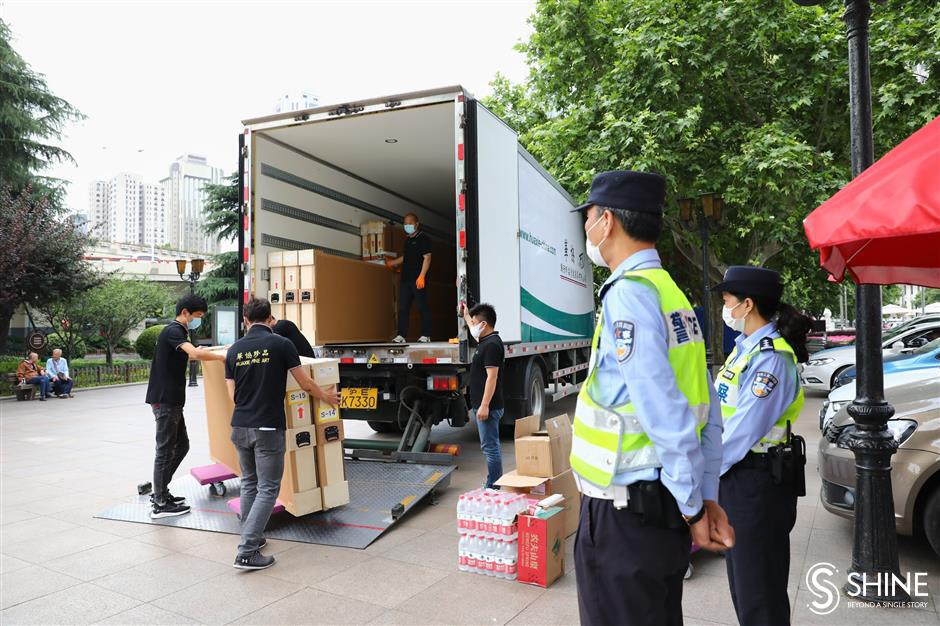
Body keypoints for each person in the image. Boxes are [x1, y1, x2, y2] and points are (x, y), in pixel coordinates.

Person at [569, 170, 735, 626]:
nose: (585, 229)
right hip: (655, 513)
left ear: (608, 222)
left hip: (624, 514)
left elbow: (665, 412)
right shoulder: (672, 294)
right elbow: (706, 409)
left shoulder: (629, 295)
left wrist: (695, 506)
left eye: (587, 218)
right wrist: (704, 495)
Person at [712, 266, 812, 626]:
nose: (725, 309)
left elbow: (741, 432)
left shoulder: (771, 358)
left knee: (760, 596)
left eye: (727, 301)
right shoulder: (744, 350)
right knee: (744, 584)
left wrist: (702, 473)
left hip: (757, 484)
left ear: (747, 304)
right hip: (740, 479)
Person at [226, 298, 340, 570]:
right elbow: (305, 382)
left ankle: (251, 535)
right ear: (270, 319)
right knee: (268, 488)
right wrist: (326, 396)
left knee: (250, 483)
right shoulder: (281, 344)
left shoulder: (233, 350)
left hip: (240, 425)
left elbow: (233, 396)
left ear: (245, 320)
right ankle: (247, 550)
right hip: (267, 427)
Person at [145, 294, 227, 519]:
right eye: (197, 316)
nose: (197, 320)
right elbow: (193, 353)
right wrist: (221, 358)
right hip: (165, 399)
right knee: (165, 449)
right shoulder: (174, 330)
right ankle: (159, 503)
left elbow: (188, 355)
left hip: (171, 399)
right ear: (185, 313)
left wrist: (207, 351)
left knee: (182, 446)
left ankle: (160, 491)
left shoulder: (179, 333)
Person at [460, 302, 505, 489]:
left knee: (490, 448)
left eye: (475, 322)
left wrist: (485, 405)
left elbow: (492, 377)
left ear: (484, 325)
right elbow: (472, 326)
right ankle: (492, 483)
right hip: (483, 404)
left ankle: (493, 486)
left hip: (490, 406)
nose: (473, 326)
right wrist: (465, 315)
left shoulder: (492, 345)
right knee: (489, 446)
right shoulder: (485, 340)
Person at [386, 213, 432, 343]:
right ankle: (401, 335)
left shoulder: (424, 239)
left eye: (410, 223)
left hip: (418, 279)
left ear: (417, 224)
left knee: (422, 306)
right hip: (406, 280)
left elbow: (427, 258)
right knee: (403, 308)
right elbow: (406, 257)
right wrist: (393, 263)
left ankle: (425, 334)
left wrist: (422, 276)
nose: (407, 226)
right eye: (405, 223)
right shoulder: (407, 241)